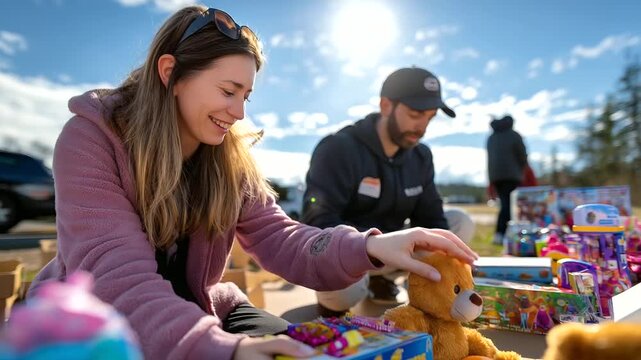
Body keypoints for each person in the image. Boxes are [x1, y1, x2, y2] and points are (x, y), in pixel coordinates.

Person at [26, 6, 478, 360]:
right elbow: (117, 281)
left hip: (208, 308)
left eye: (246, 95)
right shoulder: (91, 139)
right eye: (228, 91)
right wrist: (229, 350)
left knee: (303, 349)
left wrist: (370, 247)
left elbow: (282, 237)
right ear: (170, 75)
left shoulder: (228, 156)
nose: (239, 112)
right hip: (96, 327)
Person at [301, 67, 476, 316]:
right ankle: (351, 292)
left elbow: (432, 218)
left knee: (459, 224)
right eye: (416, 114)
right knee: (343, 295)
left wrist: (450, 266)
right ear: (385, 106)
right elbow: (318, 222)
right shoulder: (338, 148)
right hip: (353, 254)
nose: (422, 126)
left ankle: (394, 284)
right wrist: (370, 247)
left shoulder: (421, 156)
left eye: (430, 117)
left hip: (398, 252)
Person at [486, 115, 529, 245]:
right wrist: (523, 169)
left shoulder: (491, 138)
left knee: (505, 205)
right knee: (509, 206)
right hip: (512, 175)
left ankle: (502, 234)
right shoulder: (514, 135)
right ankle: (504, 235)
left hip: (496, 177)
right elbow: (522, 155)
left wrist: (491, 178)